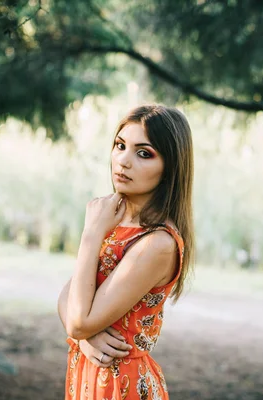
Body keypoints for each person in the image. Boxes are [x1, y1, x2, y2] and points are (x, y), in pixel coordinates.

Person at [57, 104, 195, 399]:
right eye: (120, 146)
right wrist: (85, 339)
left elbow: (77, 320)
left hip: (122, 385)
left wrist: (91, 234)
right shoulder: (115, 220)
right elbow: (66, 299)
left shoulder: (158, 243)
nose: (123, 161)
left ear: (170, 167)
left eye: (143, 153)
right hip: (88, 373)